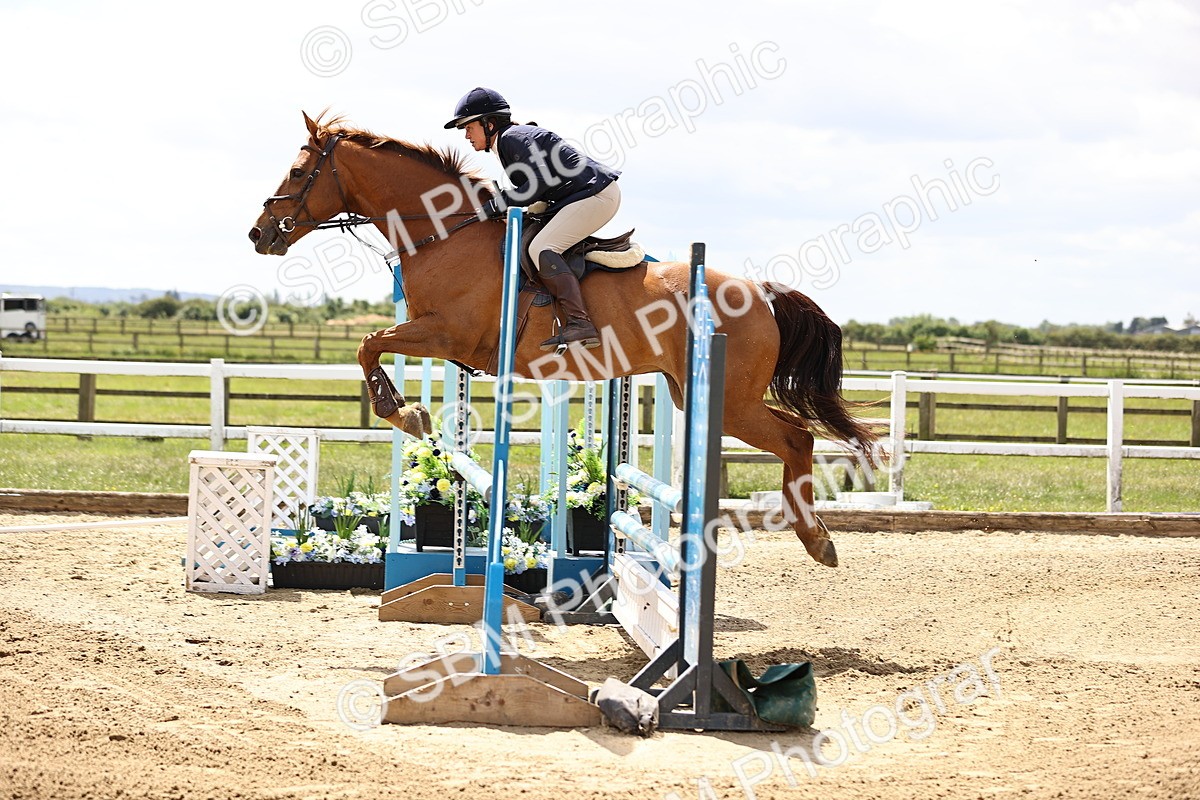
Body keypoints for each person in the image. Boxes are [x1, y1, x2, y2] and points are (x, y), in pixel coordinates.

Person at [446, 87, 621, 351]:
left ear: (488, 123)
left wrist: (500, 202)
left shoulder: (511, 139)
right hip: (582, 194)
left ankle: (580, 322)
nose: (466, 135)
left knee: (542, 248)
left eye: (469, 127)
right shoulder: (510, 140)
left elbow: (537, 183)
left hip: (595, 196)